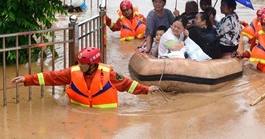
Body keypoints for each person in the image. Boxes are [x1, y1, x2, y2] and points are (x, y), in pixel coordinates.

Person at [11, 47, 159, 108]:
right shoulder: (73, 72)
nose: (80, 66)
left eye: (83, 64)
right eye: (79, 63)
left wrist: (147, 89)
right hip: (77, 111)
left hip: (105, 117)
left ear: (93, 65)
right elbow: (51, 77)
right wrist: (27, 79)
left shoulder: (109, 74)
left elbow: (128, 85)